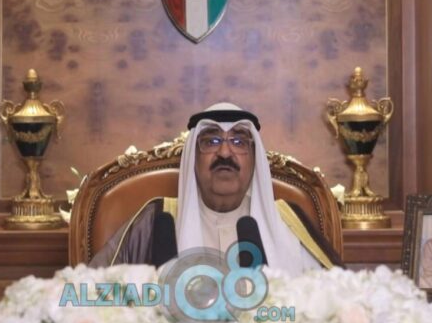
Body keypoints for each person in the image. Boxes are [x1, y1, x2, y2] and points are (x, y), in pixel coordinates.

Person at [90, 102, 340, 272]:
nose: (225, 153)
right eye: (211, 141)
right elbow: (91, 291)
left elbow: (333, 300)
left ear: (255, 159)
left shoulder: (289, 221)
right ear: (193, 158)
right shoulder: (157, 219)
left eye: (239, 142)